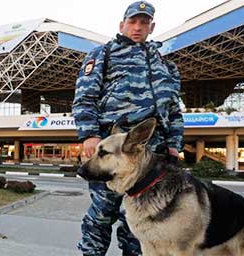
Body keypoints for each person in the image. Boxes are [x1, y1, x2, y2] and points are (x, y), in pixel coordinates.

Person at [72, 1, 184, 255]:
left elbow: (174, 110)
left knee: (140, 218)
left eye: (143, 23)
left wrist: (174, 145)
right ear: (122, 24)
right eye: (132, 22)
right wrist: (90, 134)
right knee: (102, 214)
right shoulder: (104, 54)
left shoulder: (166, 65)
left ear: (151, 27)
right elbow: (85, 97)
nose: (137, 27)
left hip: (151, 156)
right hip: (115, 149)